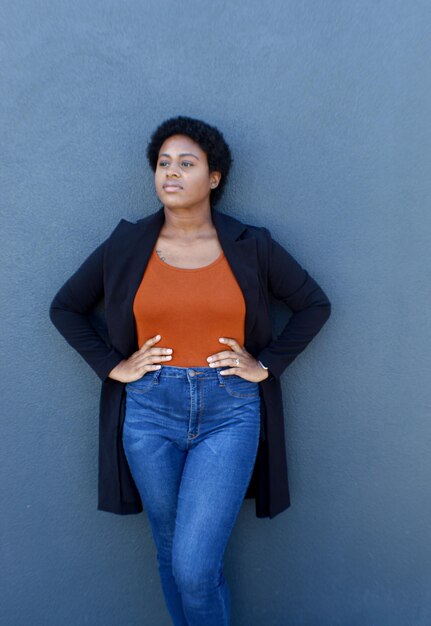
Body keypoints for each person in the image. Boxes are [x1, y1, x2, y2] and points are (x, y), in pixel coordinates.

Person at [49, 115, 331, 625]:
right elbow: (65, 307)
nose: (171, 173)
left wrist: (265, 365)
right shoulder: (126, 245)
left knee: (195, 566)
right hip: (149, 412)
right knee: (168, 552)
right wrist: (115, 367)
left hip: (230, 412)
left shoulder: (251, 244)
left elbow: (314, 304)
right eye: (163, 163)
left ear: (214, 177)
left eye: (186, 163)